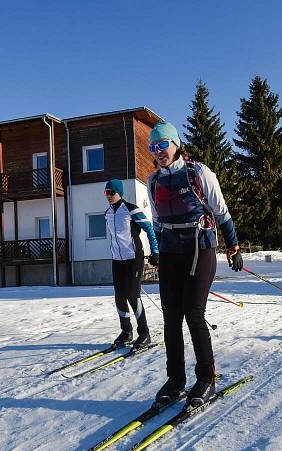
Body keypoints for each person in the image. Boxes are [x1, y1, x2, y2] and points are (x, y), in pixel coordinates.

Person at [146, 121, 243, 407]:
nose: (158, 151)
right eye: (153, 147)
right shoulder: (154, 181)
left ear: (176, 144)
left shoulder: (198, 173)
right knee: (170, 316)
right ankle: (176, 379)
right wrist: (156, 250)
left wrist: (233, 246)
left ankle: (206, 377)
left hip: (200, 248)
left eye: (163, 144)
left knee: (193, 312)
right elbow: (155, 220)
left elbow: (221, 211)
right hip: (170, 250)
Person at [104, 178, 159, 350]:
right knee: (119, 296)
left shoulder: (131, 210)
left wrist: (155, 251)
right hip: (117, 260)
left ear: (119, 193)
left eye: (111, 192)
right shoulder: (108, 213)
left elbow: (149, 228)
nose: (108, 196)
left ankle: (144, 333)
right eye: (106, 193)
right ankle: (126, 332)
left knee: (133, 295)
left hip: (133, 258)